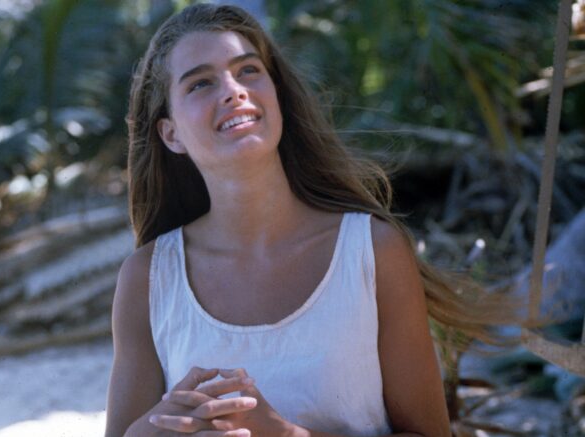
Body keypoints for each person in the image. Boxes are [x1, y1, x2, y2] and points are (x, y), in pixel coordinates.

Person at [105, 4, 508, 437]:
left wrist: (284, 433)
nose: (232, 90)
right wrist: (150, 429)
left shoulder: (372, 251)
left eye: (248, 71)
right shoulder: (149, 279)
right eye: (201, 83)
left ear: (275, 94)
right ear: (171, 134)